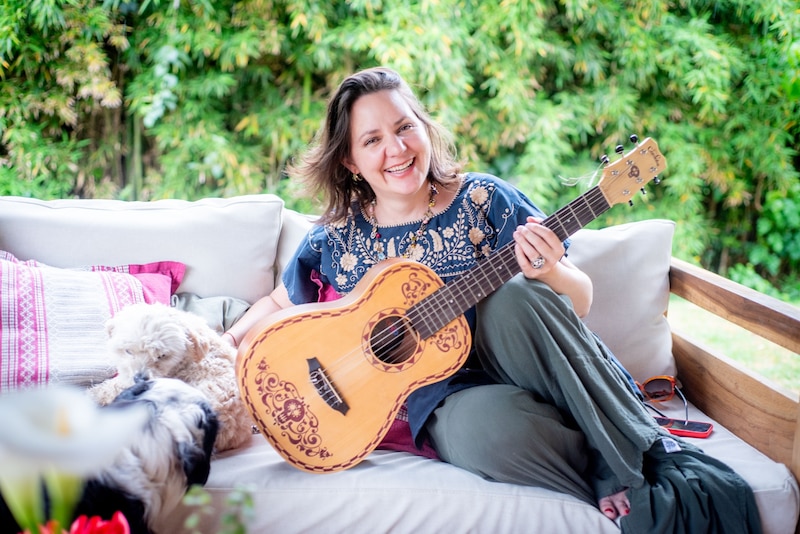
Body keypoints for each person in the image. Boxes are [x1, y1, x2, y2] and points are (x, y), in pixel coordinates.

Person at [223, 66, 761, 532]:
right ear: (348, 161)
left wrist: (551, 269)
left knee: (515, 296)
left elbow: (578, 301)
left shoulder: (484, 199)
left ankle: (623, 454)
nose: (396, 149)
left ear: (424, 130)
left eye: (405, 127)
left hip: (529, 358)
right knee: (485, 435)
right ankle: (589, 464)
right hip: (448, 396)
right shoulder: (336, 239)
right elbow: (278, 303)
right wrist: (224, 346)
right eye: (372, 140)